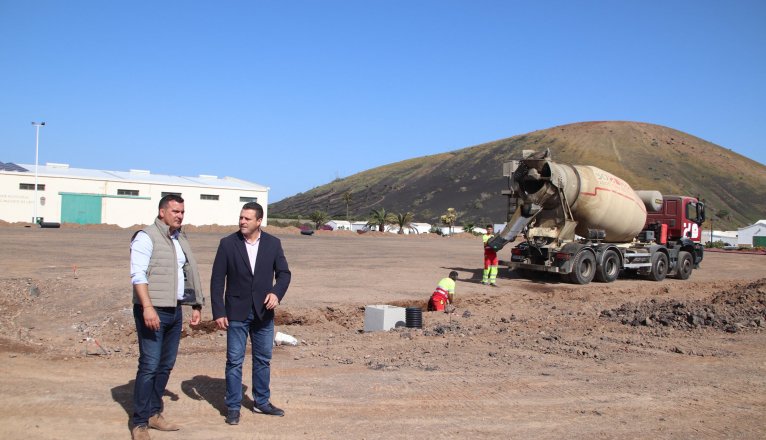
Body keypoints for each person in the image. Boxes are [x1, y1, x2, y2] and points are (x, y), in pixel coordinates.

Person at [129, 194, 205, 440]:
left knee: (165, 365)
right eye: (175, 211)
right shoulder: (146, 237)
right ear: (162, 212)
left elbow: (188, 272)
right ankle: (139, 422)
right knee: (149, 365)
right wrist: (147, 307)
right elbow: (138, 275)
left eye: (182, 212)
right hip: (153, 310)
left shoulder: (180, 238)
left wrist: (195, 304)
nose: (180, 216)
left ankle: (153, 413)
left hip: (174, 309)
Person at [211, 202, 291, 425]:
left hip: (263, 312)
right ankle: (233, 407)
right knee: (234, 361)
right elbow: (217, 280)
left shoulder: (273, 244)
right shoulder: (228, 244)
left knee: (263, 360)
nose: (242, 221)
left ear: (259, 221)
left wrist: (276, 293)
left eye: (247, 218)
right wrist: (219, 311)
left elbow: (284, 274)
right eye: (241, 217)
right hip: (236, 312)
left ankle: (261, 402)